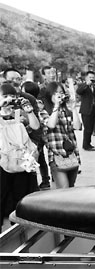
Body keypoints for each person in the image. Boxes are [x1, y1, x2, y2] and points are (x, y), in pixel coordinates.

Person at [0, 83, 40, 231]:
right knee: (2, 196)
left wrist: (29, 112)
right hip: (3, 161)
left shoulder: (18, 113)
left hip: (21, 161)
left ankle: (17, 230)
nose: (9, 99)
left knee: (20, 196)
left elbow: (36, 126)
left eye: (13, 96)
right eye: (5, 96)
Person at [40, 82, 81, 188]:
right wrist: (56, 106)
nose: (59, 95)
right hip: (56, 156)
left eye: (61, 92)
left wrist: (74, 108)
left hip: (71, 155)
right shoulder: (44, 111)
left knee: (71, 187)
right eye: (55, 93)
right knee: (64, 189)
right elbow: (51, 124)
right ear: (50, 95)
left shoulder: (67, 110)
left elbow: (77, 126)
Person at [22, 81, 52, 190]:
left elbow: (35, 124)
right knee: (41, 159)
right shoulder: (39, 102)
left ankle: (40, 181)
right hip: (41, 137)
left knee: (33, 159)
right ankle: (45, 180)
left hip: (36, 137)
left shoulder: (32, 104)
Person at [76, 71, 95, 151]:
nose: (92, 79)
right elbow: (79, 91)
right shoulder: (83, 86)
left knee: (91, 128)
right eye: (90, 77)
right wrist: (86, 84)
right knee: (87, 128)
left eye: (93, 77)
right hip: (86, 110)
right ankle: (86, 145)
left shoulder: (94, 87)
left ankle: (88, 143)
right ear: (86, 78)